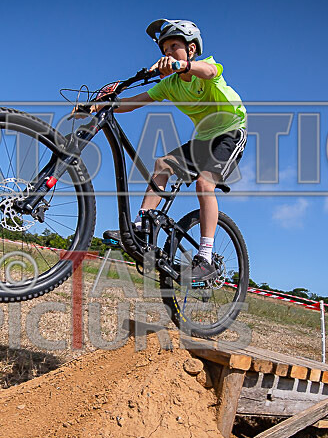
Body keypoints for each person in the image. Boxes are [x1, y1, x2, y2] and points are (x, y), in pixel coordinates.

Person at [102, 19, 247, 281]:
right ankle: (142, 227)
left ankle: (206, 256)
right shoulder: (170, 85)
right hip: (203, 138)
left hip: (230, 132)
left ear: (191, 49)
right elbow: (134, 103)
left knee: (205, 184)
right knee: (162, 164)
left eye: (174, 47)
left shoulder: (206, 67)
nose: (168, 53)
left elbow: (209, 72)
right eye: (164, 49)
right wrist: (101, 105)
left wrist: (182, 65)